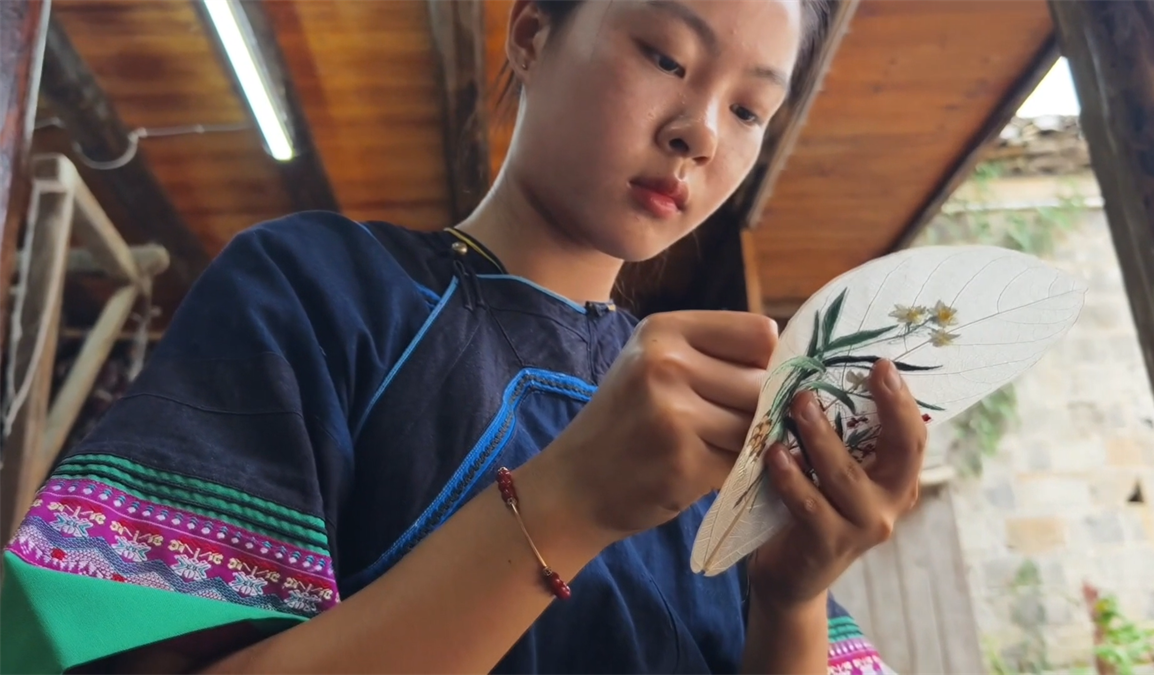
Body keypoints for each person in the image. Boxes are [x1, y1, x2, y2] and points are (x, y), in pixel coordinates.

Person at [0, 0, 927, 672]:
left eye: (749, 110)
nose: (698, 132)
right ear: (531, 35)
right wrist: (570, 499)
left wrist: (791, 601)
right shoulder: (320, 294)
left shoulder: (733, 416)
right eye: (666, 56)